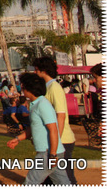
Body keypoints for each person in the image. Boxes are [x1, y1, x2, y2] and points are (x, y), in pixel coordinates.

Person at [6, 73, 68, 185]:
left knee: (31, 181)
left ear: (30, 89)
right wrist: (18, 139)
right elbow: (33, 128)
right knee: (63, 183)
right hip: (51, 152)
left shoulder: (42, 104)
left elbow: (53, 129)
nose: (22, 90)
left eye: (23, 87)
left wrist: (52, 154)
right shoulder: (36, 104)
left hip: (48, 152)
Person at [34, 56, 77, 184]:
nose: (35, 72)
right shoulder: (47, 87)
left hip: (62, 140)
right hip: (54, 141)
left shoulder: (54, 87)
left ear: (44, 71)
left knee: (66, 178)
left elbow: (61, 115)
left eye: (36, 70)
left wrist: (56, 140)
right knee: (50, 178)